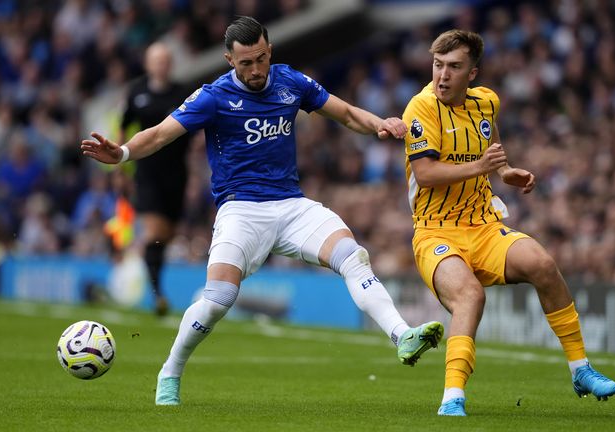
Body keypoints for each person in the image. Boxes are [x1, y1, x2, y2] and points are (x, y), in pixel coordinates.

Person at [81, 16, 443, 406]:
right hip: (241, 211)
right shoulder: (213, 97)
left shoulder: (292, 83)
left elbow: (348, 114)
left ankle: (401, 334)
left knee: (352, 256)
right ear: (228, 60)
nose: (255, 70)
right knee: (219, 299)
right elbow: (159, 133)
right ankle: (170, 370)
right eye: (245, 63)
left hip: (291, 205)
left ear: (269, 51)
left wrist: (380, 125)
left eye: (260, 59)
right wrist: (121, 154)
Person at [401, 29, 615, 417]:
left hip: (483, 225)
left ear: (473, 73)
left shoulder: (487, 102)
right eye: (437, 65)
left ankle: (580, 369)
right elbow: (427, 173)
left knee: (543, 264)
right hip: (436, 231)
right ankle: (452, 397)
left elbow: (491, 145)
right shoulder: (421, 108)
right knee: (470, 295)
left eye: (454, 67)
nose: (442, 76)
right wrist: (481, 167)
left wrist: (505, 171)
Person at [119, 42, 191, 316]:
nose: (161, 65)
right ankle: (157, 293)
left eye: (165, 60)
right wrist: (119, 167)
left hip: (176, 173)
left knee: (167, 236)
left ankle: (148, 269)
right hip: (147, 171)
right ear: (148, 64)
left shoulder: (182, 93)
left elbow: (193, 133)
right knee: (156, 231)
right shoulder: (136, 92)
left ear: (170, 64)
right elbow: (123, 126)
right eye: (156, 60)